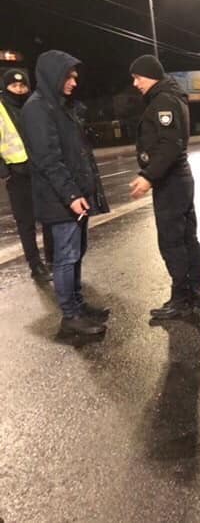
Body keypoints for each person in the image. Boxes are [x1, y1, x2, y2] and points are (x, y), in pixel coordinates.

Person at [22, 50, 110, 337]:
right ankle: (70, 316)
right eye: (68, 76)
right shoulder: (37, 108)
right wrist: (72, 195)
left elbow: (76, 152)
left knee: (76, 252)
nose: (74, 82)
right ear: (53, 75)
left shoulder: (60, 106)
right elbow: (48, 159)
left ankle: (78, 305)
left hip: (73, 195)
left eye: (74, 76)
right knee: (66, 257)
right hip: (59, 199)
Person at [128, 54, 200, 319]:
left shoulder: (163, 101)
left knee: (173, 241)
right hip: (178, 179)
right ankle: (195, 293)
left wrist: (148, 176)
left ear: (150, 75)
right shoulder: (172, 97)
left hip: (171, 181)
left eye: (137, 77)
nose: (135, 83)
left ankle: (181, 299)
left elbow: (170, 144)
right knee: (187, 238)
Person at [0, 68, 54, 281]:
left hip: (40, 169)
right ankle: (35, 265)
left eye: (22, 85)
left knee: (49, 216)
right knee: (26, 223)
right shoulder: (1, 108)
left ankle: (52, 259)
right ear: (6, 87)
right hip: (17, 173)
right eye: (14, 86)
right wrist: (5, 171)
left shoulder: (34, 105)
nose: (19, 89)